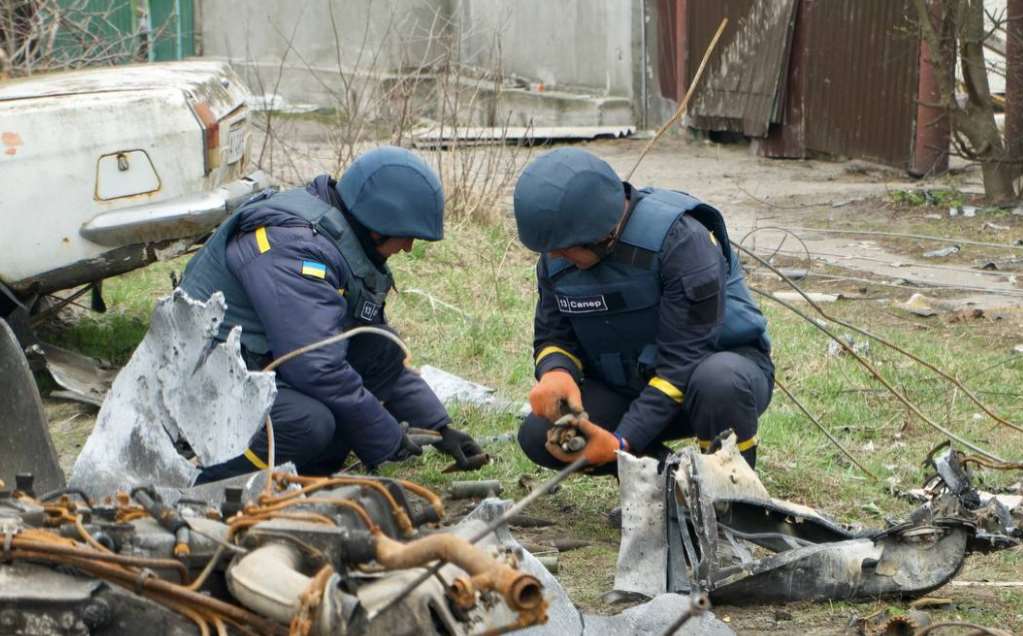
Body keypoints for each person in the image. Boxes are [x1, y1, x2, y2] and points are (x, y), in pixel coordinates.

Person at [180, 146, 482, 484]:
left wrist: (441, 429)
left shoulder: (335, 235)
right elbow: (316, 366)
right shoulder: (294, 249)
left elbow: (372, 350)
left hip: (253, 362)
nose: (408, 248)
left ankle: (296, 472)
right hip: (203, 383)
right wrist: (386, 438)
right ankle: (201, 478)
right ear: (377, 224)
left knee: (379, 347)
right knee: (308, 423)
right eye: (406, 236)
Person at [513, 148, 774, 475]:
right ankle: (664, 484)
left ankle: (730, 489)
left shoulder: (681, 241)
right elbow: (554, 335)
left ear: (600, 231)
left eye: (564, 250)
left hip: (709, 379)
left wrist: (622, 442)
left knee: (718, 382)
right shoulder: (560, 253)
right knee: (541, 436)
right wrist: (556, 371)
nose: (556, 257)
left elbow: (683, 362)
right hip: (631, 385)